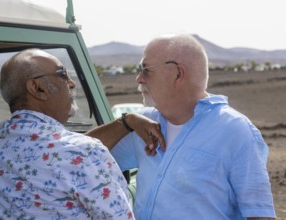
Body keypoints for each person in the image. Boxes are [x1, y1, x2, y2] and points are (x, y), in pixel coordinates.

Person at [0, 48, 165, 220]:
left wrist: (127, 121)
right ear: (37, 88)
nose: (71, 83)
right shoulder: (81, 151)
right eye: (62, 74)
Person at [109, 34, 276, 220]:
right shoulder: (144, 123)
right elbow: (83, 154)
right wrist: (127, 121)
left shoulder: (235, 130)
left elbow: (260, 215)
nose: (139, 78)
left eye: (145, 70)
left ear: (178, 74)